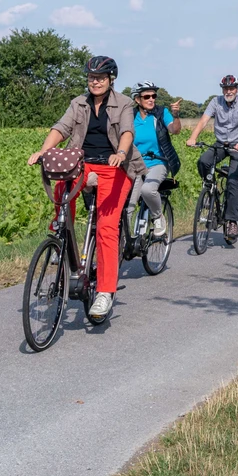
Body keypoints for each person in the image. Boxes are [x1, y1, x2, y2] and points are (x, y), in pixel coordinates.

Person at [27, 55, 145, 320]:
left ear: (110, 80)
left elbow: (127, 132)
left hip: (115, 167)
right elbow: (62, 128)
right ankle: (62, 235)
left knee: (106, 227)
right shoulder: (78, 103)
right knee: (62, 189)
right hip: (82, 163)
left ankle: (104, 292)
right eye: (92, 78)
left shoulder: (124, 103)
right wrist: (43, 151)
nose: (96, 82)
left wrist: (122, 153)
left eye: (101, 78)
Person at [185, 74, 238, 242]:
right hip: (221, 144)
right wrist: (193, 138)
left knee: (232, 181)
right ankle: (209, 189)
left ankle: (231, 221)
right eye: (225, 88)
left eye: (231, 88)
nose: (228, 91)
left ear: (236, 89)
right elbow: (203, 121)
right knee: (204, 161)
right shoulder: (216, 102)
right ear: (222, 89)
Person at [128, 82, 181, 238]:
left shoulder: (161, 112)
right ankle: (124, 242)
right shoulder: (130, 116)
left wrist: (176, 115)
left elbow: (175, 130)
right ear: (137, 99)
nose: (151, 99)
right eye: (147, 96)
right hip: (135, 165)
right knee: (127, 207)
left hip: (158, 162)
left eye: (153, 96)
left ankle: (158, 216)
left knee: (147, 190)